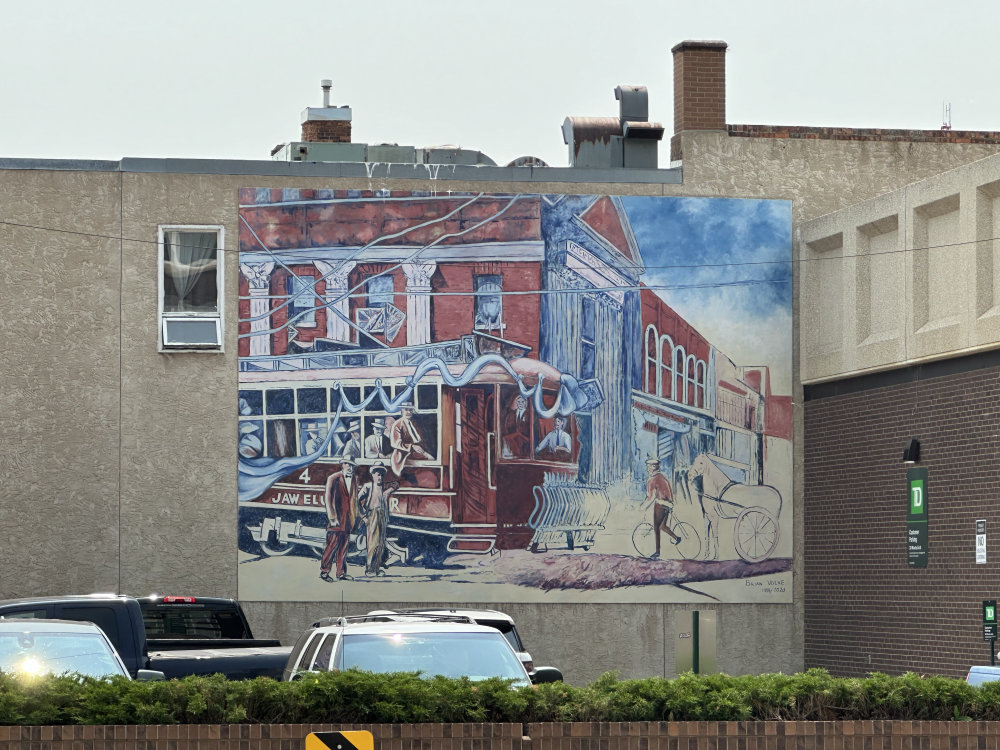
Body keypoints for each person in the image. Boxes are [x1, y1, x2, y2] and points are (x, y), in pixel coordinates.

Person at [319, 456, 359, 582]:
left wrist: (355, 517)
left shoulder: (354, 480)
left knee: (343, 547)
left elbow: (354, 500)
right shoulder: (333, 478)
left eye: (351, 465)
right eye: (347, 464)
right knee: (331, 546)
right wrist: (332, 517)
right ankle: (324, 572)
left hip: (348, 520)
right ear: (342, 465)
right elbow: (328, 499)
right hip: (336, 520)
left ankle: (341, 573)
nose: (349, 467)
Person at [357, 462, 398, 576]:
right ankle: (369, 569)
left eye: (381, 475)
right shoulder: (368, 487)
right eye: (377, 474)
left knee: (380, 543)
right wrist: (363, 517)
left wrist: (388, 491)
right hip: (372, 515)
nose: (379, 477)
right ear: (373, 475)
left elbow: (396, 484)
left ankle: (377, 568)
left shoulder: (384, 486)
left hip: (382, 516)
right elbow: (357, 502)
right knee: (372, 543)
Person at [644, 457, 681, 559]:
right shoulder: (663, 477)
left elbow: (650, 497)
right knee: (662, 526)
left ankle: (657, 552)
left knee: (656, 528)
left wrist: (642, 508)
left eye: (649, 467)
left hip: (660, 505)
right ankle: (677, 538)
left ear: (653, 467)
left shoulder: (652, 480)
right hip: (668, 504)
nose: (647, 469)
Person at [388, 402, 430, 475]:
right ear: (401, 411)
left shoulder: (412, 423)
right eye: (406, 410)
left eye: (410, 410)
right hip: (403, 454)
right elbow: (395, 443)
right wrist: (411, 446)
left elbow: (418, 439)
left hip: (416, 452)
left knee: (431, 458)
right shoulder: (397, 424)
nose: (408, 412)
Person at [501, 393, 531, 459]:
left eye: (522, 401)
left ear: (526, 403)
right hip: (512, 442)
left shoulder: (529, 415)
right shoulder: (511, 415)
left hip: (524, 443)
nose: (520, 403)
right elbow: (506, 428)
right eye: (518, 402)